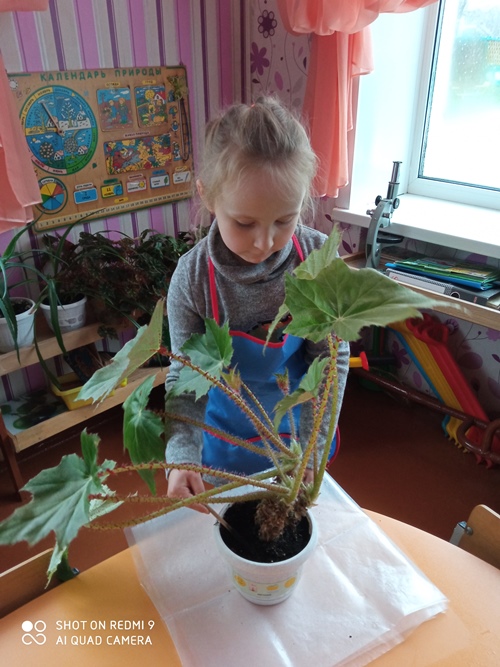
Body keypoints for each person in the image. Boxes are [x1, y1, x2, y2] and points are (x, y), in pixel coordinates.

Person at [165, 96, 349, 512]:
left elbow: (330, 359)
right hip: (222, 441)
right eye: (244, 223)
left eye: (284, 220)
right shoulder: (192, 279)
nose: (264, 242)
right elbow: (185, 375)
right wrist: (181, 455)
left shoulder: (316, 261)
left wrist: (312, 449)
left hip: (295, 435)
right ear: (208, 196)